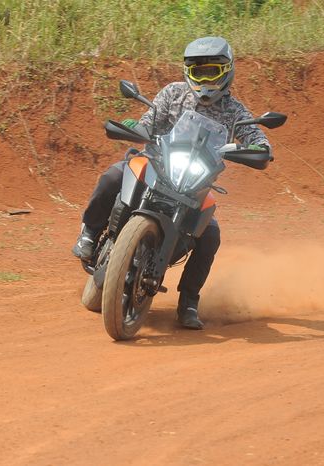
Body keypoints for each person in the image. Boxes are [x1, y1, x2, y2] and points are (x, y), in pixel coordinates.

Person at [73, 36, 270, 330]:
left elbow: (257, 139)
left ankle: (189, 302)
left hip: (196, 181)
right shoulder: (172, 94)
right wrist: (133, 127)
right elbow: (147, 122)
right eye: (199, 71)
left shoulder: (236, 113)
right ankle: (89, 234)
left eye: (212, 71)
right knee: (114, 174)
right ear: (188, 71)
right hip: (157, 164)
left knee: (210, 235)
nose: (204, 78)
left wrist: (260, 149)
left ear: (226, 71)